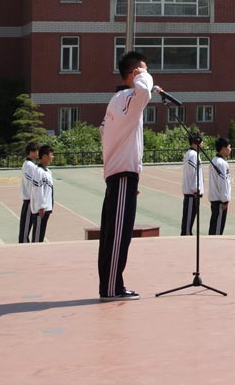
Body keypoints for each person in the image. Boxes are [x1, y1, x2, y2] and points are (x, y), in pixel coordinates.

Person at [99, 50, 156, 301]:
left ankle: (112, 285)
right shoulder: (128, 98)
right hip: (122, 175)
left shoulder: (117, 101)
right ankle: (112, 288)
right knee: (118, 236)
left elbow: (104, 133)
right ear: (134, 74)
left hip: (120, 175)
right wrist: (144, 76)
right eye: (142, 70)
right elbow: (144, 92)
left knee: (114, 234)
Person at [181, 131, 205, 236]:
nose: (203, 143)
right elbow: (194, 174)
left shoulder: (191, 154)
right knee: (188, 222)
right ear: (197, 141)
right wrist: (196, 189)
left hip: (192, 193)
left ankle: (187, 235)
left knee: (189, 220)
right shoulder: (193, 155)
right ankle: (185, 237)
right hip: (192, 194)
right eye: (201, 141)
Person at [30, 145, 55, 242]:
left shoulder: (48, 171)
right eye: (51, 154)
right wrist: (41, 206)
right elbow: (38, 190)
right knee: (37, 236)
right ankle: (33, 252)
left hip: (47, 208)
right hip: (41, 210)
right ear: (44, 156)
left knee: (41, 234)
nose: (52, 157)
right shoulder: (38, 171)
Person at [208, 137, 232, 236]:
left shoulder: (214, 160)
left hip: (214, 200)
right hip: (219, 202)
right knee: (217, 230)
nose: (230, 149)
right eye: (229, 147)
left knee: (214, 226)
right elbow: (223, 183)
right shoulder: (222, 164)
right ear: (223, 148)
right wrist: (225, 200)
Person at [18, 141, 40, 243]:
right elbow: (31, 184)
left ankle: (24, 243)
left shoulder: (31, 165)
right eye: (37, 150)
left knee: (28, 225)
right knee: (25, 227)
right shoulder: (29, 165)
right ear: (31, 152)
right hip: (29, 200)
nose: (38, 153)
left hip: (31, 200)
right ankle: (23, 244)